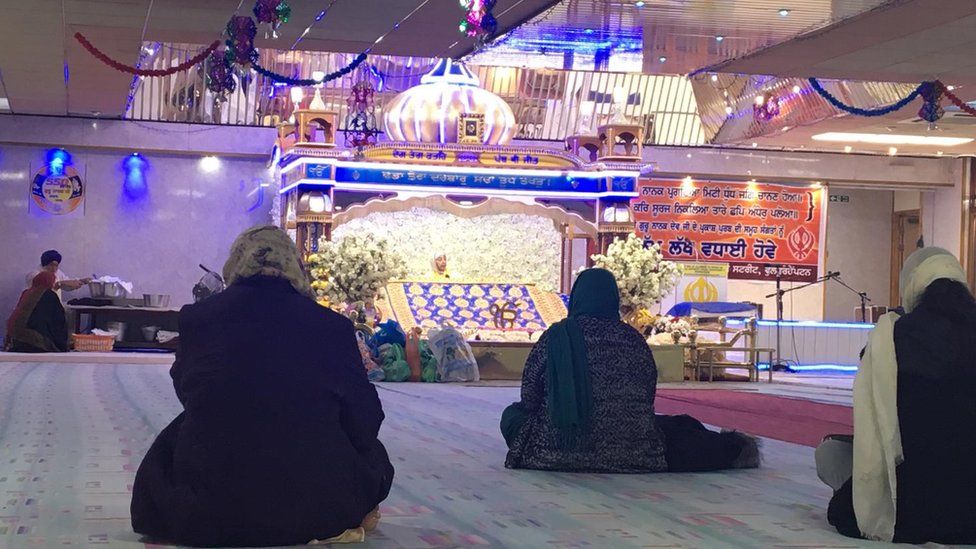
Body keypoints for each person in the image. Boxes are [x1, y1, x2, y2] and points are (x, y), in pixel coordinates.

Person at [130, 225, 394, 547]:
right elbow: (365, 421)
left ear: (236, 264)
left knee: (178, 436)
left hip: (211, 509)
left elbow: (190, 392)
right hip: (316, 507)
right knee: (373, 455)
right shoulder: (332, 326)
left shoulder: (199, 318)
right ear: (295, 267)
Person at [500, 268, 759, 473]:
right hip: (635, 450)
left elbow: (529, 398)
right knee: (683, 426)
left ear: (577, 298)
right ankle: (739, 448)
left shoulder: (556, 337)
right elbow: (646, 399)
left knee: (511, 416)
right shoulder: (633, 339)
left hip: (553, 450)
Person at [816, 247, 976, 544]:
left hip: (910, 502)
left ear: (913, 283)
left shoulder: (890, 337)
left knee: (830, 453)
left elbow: (874, 429)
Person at [4, 271, 68, 353]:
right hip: (33, 341)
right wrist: (63, 345)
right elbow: (59, 321)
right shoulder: (49, 295)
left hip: (15, 338)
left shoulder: (26, 292)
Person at [26, 250, 91, 300]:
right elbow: (45, 289)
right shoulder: (34, 275)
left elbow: (67, 283)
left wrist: (81, 281)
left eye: (56, 265)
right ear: (45, 263)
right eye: (51, 265)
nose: (54, 268)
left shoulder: (57, 273)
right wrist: (59, 284)